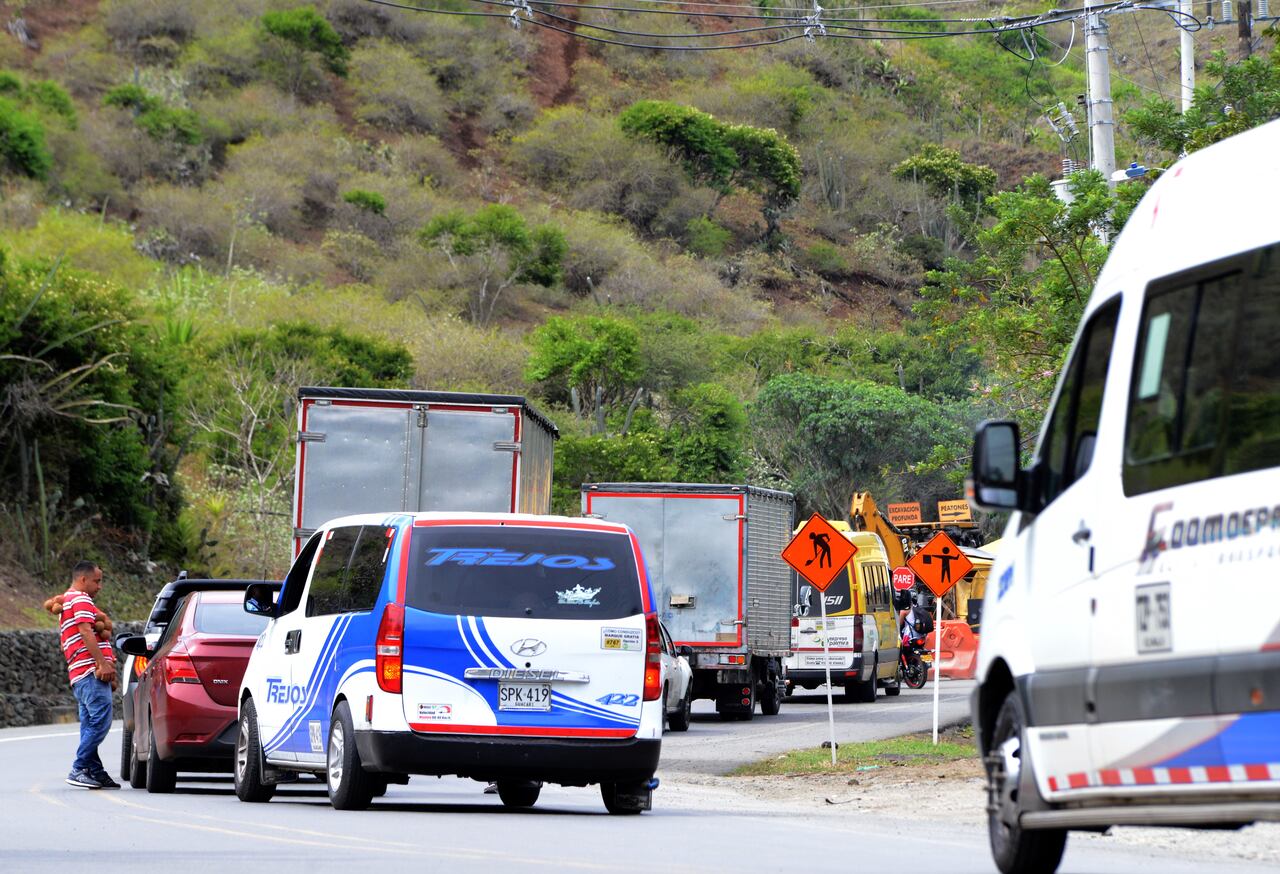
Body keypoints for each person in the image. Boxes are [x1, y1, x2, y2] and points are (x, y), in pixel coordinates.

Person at [61, 561, 119, 790]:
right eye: (97, 580)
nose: (100, 586)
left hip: (79, 673)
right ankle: (79, 767)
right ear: (83, 579)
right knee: (101, 721)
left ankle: (94, 770)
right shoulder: (81, 599)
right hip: (90, 672)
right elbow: (86, 630)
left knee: (89, 724)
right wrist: (102, 663)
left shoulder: (66, 600)